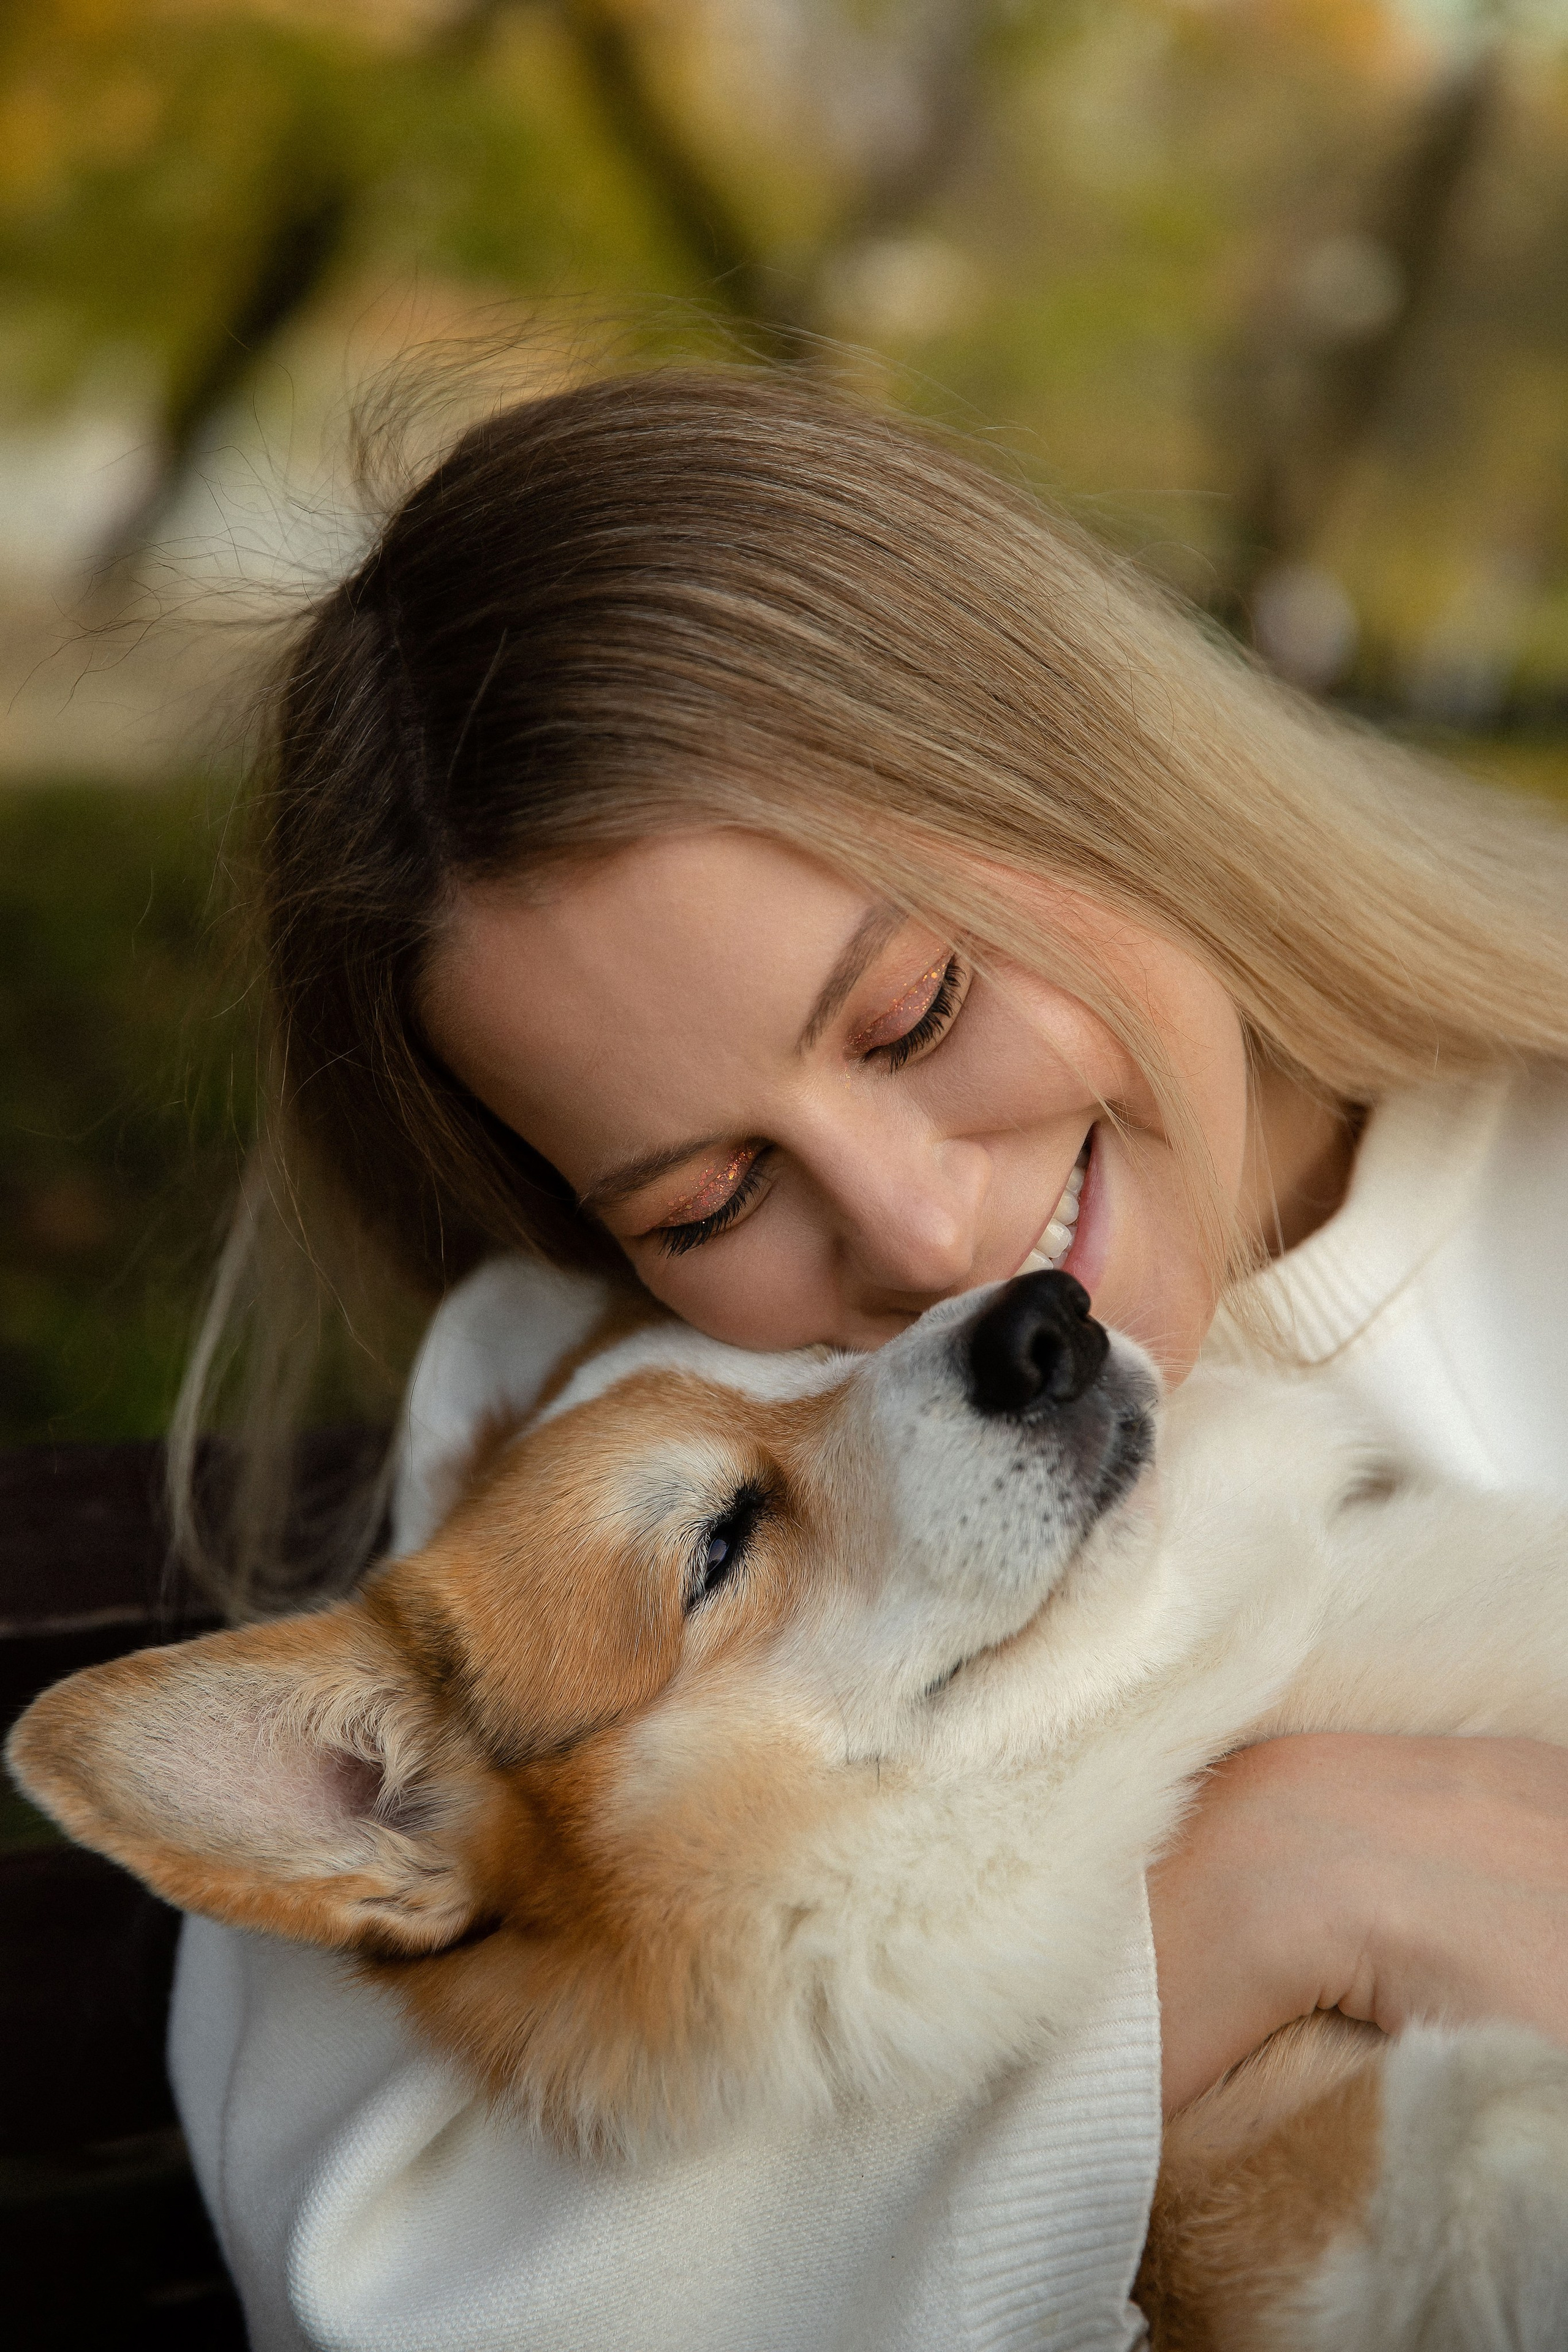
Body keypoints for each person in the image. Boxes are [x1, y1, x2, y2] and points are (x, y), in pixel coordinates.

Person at [167, 368, 1568, 2350]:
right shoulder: (585, 1418)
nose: (922, 1243)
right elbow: (395, 2287)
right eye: (706, 1196)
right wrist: (1250, 1902)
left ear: (1098, 770)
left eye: (912, 1014)